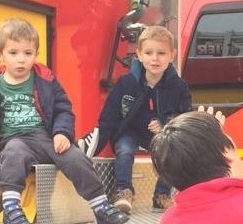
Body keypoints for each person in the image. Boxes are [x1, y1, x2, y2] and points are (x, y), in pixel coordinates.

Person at [0, 18, 129, 224]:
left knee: (75, 157)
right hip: (15, 140)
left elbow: (63, 108)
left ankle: (101, 207)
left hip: (45, 138)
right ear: (0, 55)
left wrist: (62, 132)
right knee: (13, 154)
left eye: (28, 53)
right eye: (13, 53)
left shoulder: (45, 79)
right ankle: (11, 210)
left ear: (36, 54)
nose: (21, 60)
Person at [79, 25, 192, 213]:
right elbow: (109, 117)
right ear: (138, 54)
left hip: (161, 134)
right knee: (124, 149)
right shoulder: (126, 82)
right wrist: (89, 148)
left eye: (161, 53)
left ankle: (162, 195)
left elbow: (185, 116)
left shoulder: (179, 86)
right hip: (129, 132)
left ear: (172, 55)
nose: (155, 58)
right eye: (149, 52)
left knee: (172, 152)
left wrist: (165, 126)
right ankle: (123, 191)